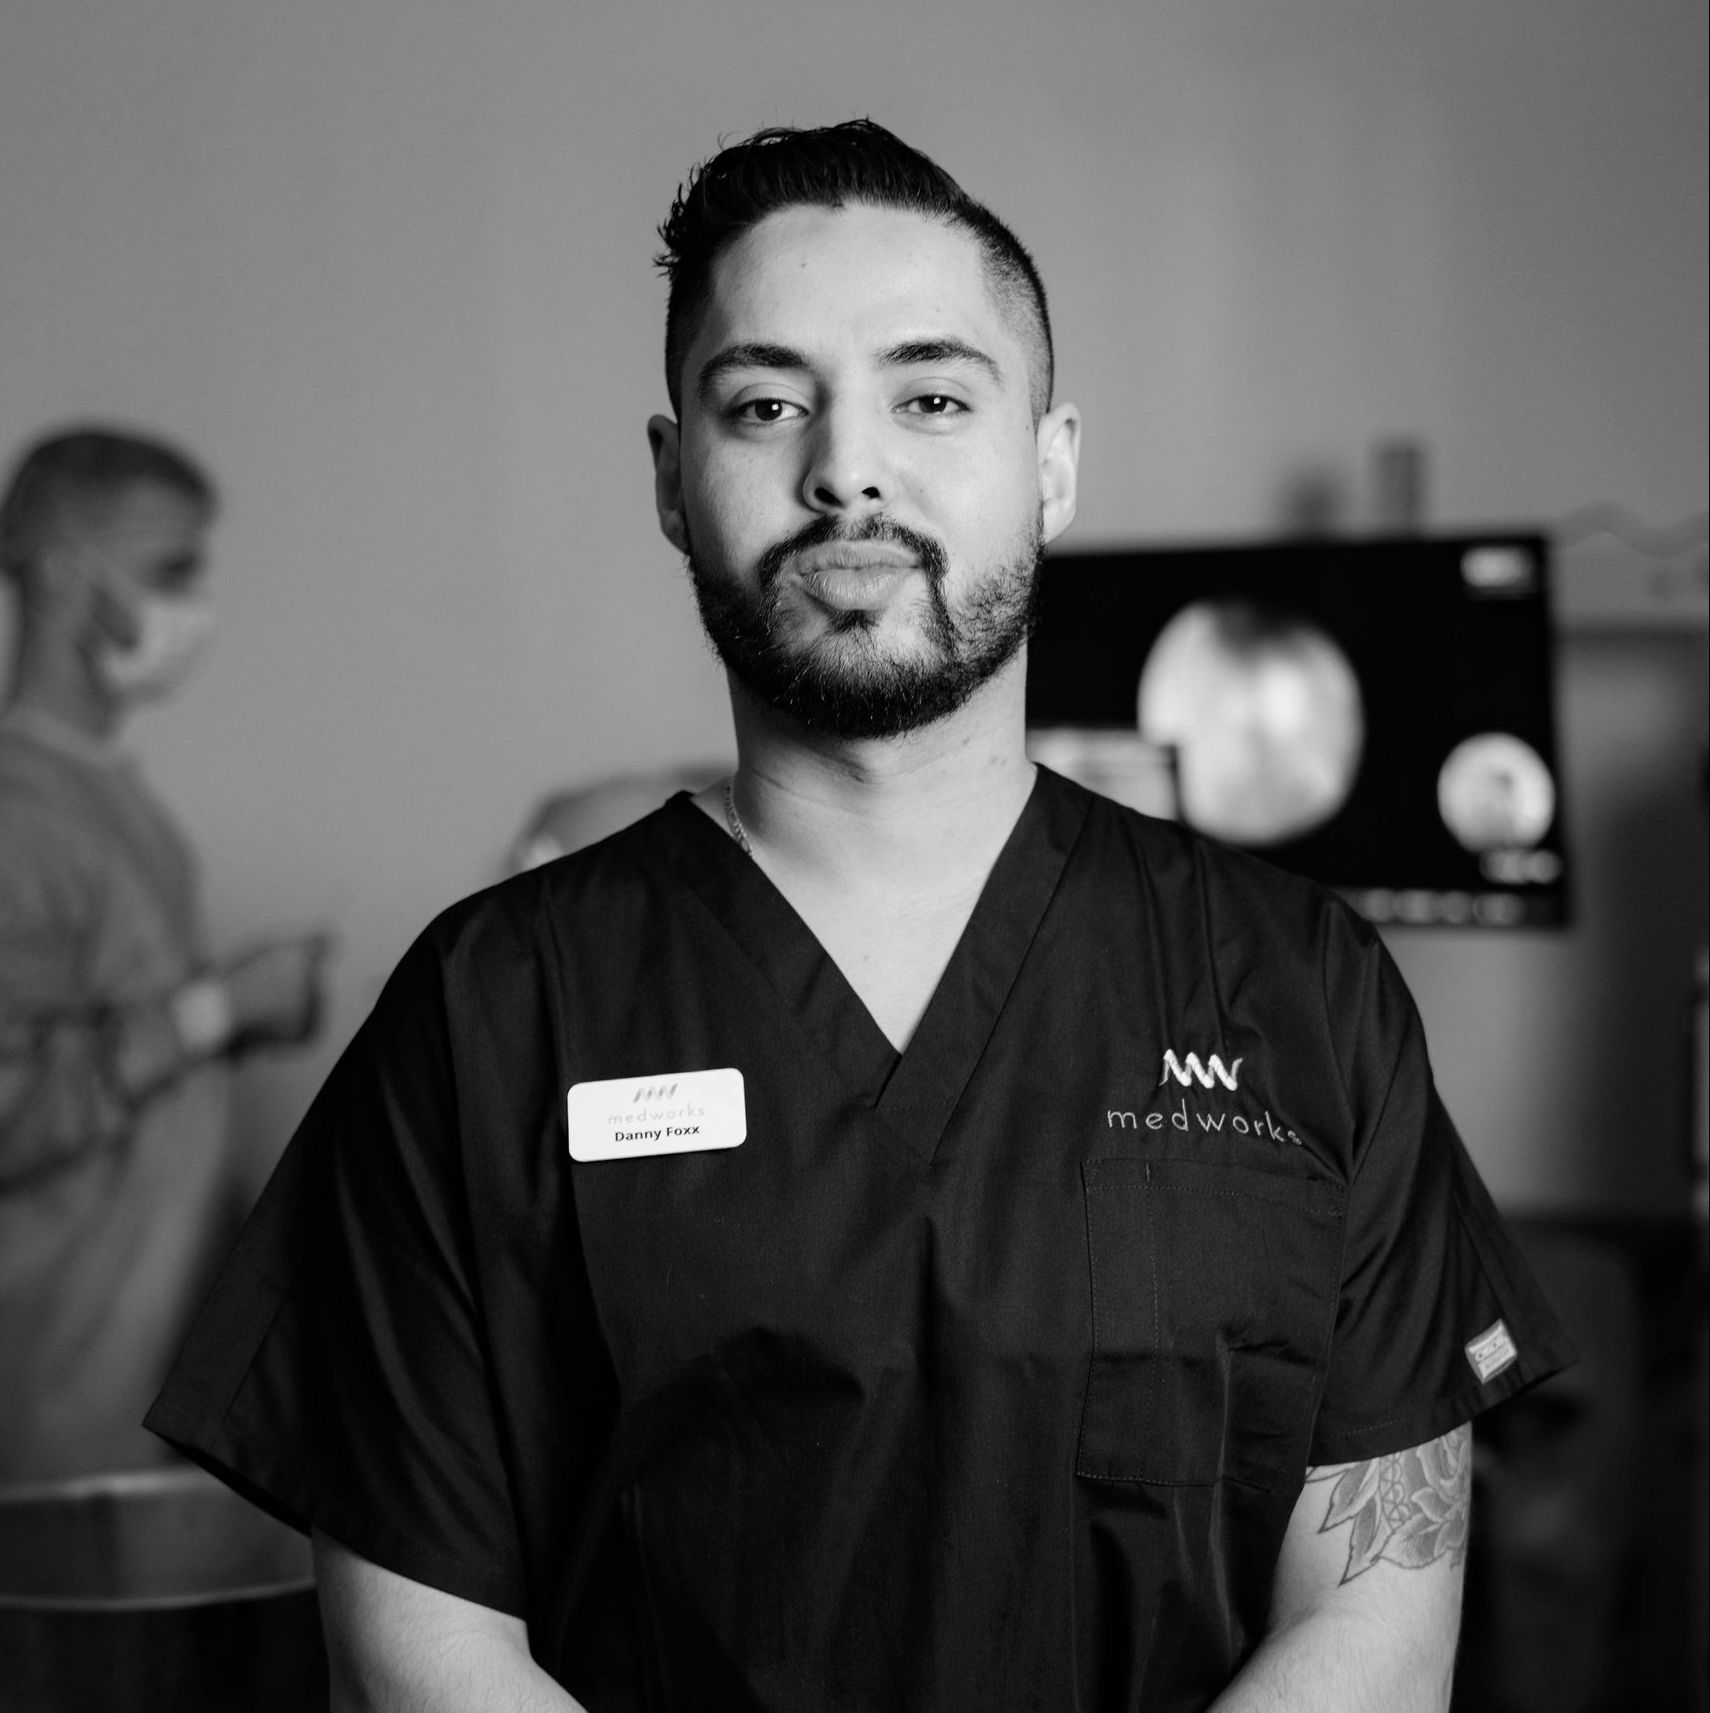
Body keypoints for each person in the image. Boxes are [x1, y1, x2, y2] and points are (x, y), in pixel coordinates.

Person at [147, 124, 1574, 1710]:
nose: (846, 467)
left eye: (932, 396)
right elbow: (421, 1645)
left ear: (1051, 462)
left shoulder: (1302, 991)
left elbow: (1372, 1618)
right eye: (764, 404)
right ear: (673, 480)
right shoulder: (492, 1011)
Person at [0, 427, 331, 1482]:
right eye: (169, 569)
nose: (196, 604)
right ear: (62, 573)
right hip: (56, 1388)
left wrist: (232, 1016)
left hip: (149, 1369)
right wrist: (212, 1014)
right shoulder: (17, 811)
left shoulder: (107, 797)